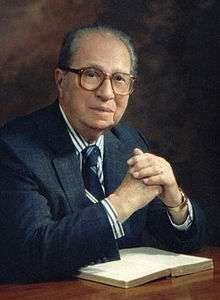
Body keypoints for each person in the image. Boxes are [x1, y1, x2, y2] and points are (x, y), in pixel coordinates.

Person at [0, 25, 207, 283]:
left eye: (119, 79)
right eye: (91, 74)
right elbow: (32, 253)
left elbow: (187, 243)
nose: (107, 93)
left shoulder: (128, 141)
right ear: (60, 80)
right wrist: (120, 205)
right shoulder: (16, 148)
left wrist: (175, 201)